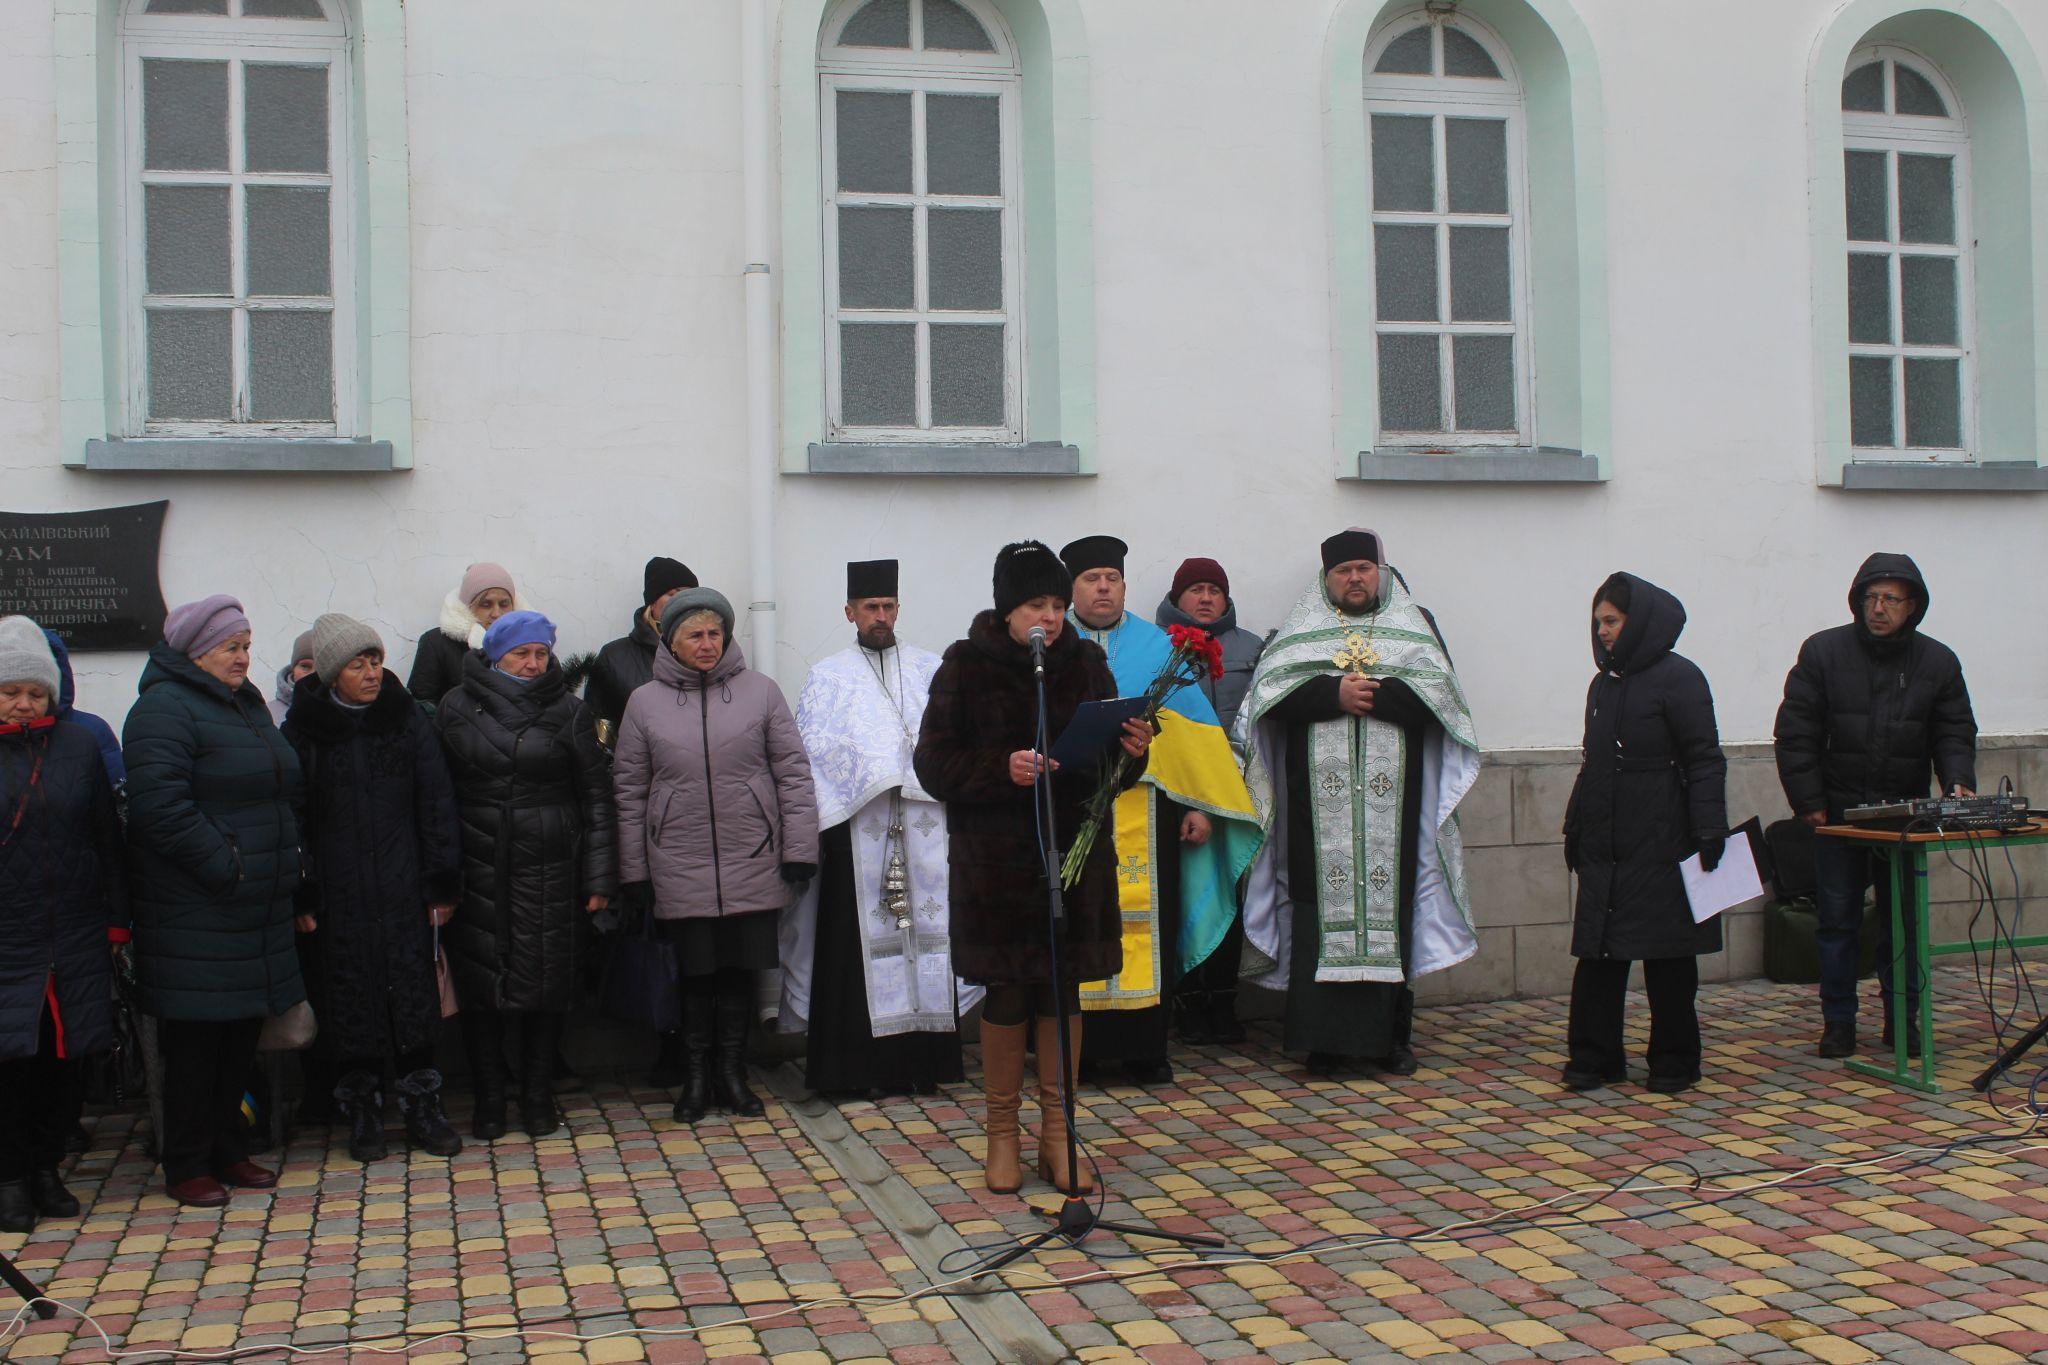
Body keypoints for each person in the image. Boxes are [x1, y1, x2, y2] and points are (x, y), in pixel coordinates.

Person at [913, 542, 1153, 1195]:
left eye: (1055, 603)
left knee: (1062, 987)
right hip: (996, 863)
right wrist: (1002, 769)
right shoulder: (964, 666)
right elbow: (933, 764)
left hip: (1072, 857)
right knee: (1010, 990)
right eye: (1033, 605)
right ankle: (1000, 1134)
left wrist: (1132, 751)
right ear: (1006, 608)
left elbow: (1113, 770)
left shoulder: (1085, 662)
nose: (1048, 616)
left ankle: (1057, 1133)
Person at [1239, 530, 1481, 1078]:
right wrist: (1331, 694)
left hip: (1392, 815)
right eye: (1344, 570)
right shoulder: (1299, 632)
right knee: (1316, 917)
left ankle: (1392, 1041)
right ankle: (1321, 1043)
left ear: (1380, 573)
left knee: (1391, 917)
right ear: (1327, 579)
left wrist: (1372, 693)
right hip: (1313, 818)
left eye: (1364, 569)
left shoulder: (1414, 627)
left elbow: (1443, 702)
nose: (1355, 579)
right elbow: (1267, 702)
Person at [123, 595, 305, 1207]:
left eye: (247, 645)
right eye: (232, 646)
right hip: (198, 908)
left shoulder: (245, 705)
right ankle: (186, 1162)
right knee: (198, 1043)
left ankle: (228, 1149)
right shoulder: (163, 709)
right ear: (194, 651)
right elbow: (160, 808)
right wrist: (229, 866)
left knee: (238, 1037)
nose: (244, 657)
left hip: (251, 907)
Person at [1060, 536, 1260, 1086]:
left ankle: (1147, 1049)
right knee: (1082, 924)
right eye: (1091, 578)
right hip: (1074, 811)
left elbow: (1192, 738)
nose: (1103, 587)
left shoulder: (1158, 648)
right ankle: (1082, 1053)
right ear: (1071, 589)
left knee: (1151, 925)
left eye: (1112, 578)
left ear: (1124, 585)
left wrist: (1199, 807)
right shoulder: (1052, 648)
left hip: (1151, 812)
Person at [613, 587, 818, 1123]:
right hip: (679, 864)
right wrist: (634, 870)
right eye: (694, 635)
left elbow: (793, 775)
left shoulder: (761, 693)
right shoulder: (644, 703)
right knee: (696, 974)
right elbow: (630, 791)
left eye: (714, 634)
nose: (707, 644)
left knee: (739, 973)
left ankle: (733, 1074)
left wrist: (798, 849)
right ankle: (696, 1078)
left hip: (751, 857)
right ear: (671, 642)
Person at [1774, 553, 1976, 1059]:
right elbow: (1796, 732)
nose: (1878, 609)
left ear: (1913, 607)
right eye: (1871, 598)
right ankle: (1838, 1023)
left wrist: (1957, 780)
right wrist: (1810, 802)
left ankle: (1901, 1019)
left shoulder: (1938, 661)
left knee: (1902, 924)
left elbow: (1954, 730)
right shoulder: (1823, 653)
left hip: (1904, 816)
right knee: (1838, 923)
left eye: (1890, 599)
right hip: (1839, 815)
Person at [782, 560, 969, 1101]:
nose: (881, 616)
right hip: (857, 830)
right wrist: (873, 778)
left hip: (926, 826)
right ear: (850, 612)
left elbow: (951, 736)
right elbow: (815, 752)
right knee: (853, 946)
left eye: (888, 607)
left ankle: (921, 1064)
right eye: (870, 608)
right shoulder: (828, 676)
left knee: (928, 939)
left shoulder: (932, 668)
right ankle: (854, 1069)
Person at [283, 615, 465, 1161]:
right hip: (340, 895)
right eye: (358, 664)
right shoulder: (305, 730)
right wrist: (305, 891)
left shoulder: (405, 719)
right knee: (348, 997)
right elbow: (294, 818)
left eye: (376, 661)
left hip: (404, 888)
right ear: (334, 672)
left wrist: (440, 883)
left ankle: (423, 1106)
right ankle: (362, 1111)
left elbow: (436, 802)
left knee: (413, 995)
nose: (371, 673)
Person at [438, 611, 617, 1138]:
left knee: (549, 986)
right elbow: (437, 793)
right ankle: (490, 1099)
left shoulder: (569, 711)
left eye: (541, 653)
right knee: (481, 987)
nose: (533, 663)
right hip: (479, 863)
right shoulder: (455, 708)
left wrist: (599, 878)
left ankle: (538, 1097)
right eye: (522, 653)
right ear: (496, 655)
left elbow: (597, 799)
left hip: (552, 866)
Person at [1560, 575, 1728, 1094]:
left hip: (1664, 837)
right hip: (1607, 841)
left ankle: (1675, 1061)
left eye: (1612, 621)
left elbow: (1704, 760)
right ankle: (1594, 1058)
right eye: (1598, 623)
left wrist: (1708, 828)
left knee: (1669, 955)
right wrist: (1576, 824)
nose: (1604, 632)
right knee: (1599, 954)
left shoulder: (1681, 678)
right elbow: (1594, 762)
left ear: (1640, 621)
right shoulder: (1603, 683)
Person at [0, 618, 126, 1232]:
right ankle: (9, 1177)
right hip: (8, 937)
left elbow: (107, 835)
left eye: (35, 692)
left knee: (63, 1058)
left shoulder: (77, 747)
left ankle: (47, 1167)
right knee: (10, 1062)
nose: (24, 704)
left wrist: (118, 919)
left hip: (73, 931)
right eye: (10, 692)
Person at [1153, 555, 1266, 1044]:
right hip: (1181, 789)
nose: (1205, 598)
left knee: (1232, 896)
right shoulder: (1156, 646)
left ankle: (1223, 1000)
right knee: (1184, 893)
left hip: (1237, 790)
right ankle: (1186, 999)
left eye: (1213, 590)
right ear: (1177, 598)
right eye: (1195, 590)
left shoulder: (1253, 648)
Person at [586, 556, 699, 734]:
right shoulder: (614, 657)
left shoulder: (709, 651)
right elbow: (598, 725)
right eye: (672, 594)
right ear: (652, 603)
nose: (681, 601)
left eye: (687, 594)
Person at [408, 563, 526, 710]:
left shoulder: (528, 646)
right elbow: (422, 706)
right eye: (486, 604)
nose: (497, 613)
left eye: (504, 604)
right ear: (468, 607)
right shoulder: (437, 644)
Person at [268, 629, 316, 726]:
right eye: (305, 666)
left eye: (321, 667)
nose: (313, 674)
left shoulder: (344, 711)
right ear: (293, 669)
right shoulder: (268, 715)